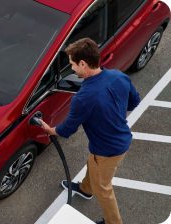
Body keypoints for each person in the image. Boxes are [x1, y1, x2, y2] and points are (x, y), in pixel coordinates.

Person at [40, 38, 140, 224]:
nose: (72, 69)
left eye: (72, 64)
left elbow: (67, 130)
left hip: (108, 150)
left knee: (103, 188)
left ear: (83, 64)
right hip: (113, 142)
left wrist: (50, 130)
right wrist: (117, 117)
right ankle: (86, 189)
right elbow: (134, 101)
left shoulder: (83, 98)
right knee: (93, 163)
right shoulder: (119, 76)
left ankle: (114, 222)